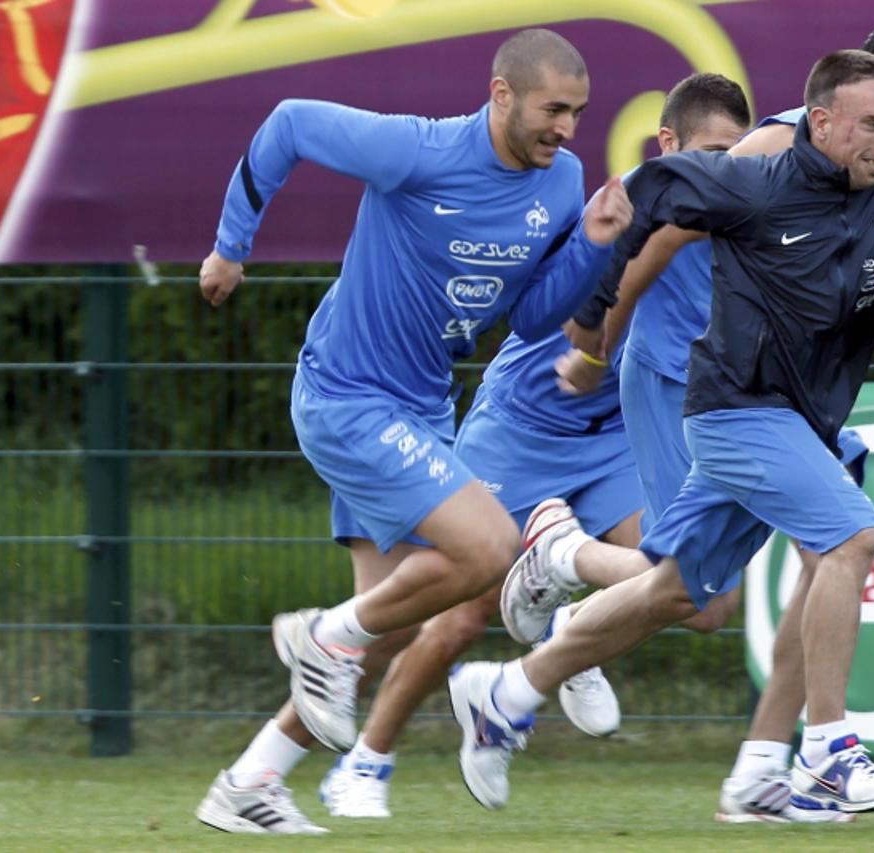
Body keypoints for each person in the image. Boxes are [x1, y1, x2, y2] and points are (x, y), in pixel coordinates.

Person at [452, 49, 874, 816]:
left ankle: (509, 686)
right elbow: (648, 203)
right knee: (848, 536)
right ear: (819, 121)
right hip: (731, 409)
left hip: (800, 415)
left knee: (683, 592)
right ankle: (826, 749)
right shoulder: (757, 173)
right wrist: (591, 330)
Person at [192, 28, 632, 834]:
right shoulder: (418, 151)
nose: (567, 129)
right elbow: (288, 121)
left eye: (577, 113)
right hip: (346, 395)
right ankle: (320, 636)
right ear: (501, 95)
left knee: (389, 625)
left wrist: (595, 244)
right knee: (488, 549)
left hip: (422, 409)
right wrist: (230, 248)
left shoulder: (562, 182)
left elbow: (534, 316)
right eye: (552, 109)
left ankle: (251, 781)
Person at [317, 70, 756, 819]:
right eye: (711, 152)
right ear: (668, 145)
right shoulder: (633, 209)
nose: (724, 170)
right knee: (458, 611)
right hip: (520, 426)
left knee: (704, 598)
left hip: (614, 435)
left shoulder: (734, 226)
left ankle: (556, 616)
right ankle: (365, 760)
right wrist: (590, 347)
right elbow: (582, 318)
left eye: (737, 156)